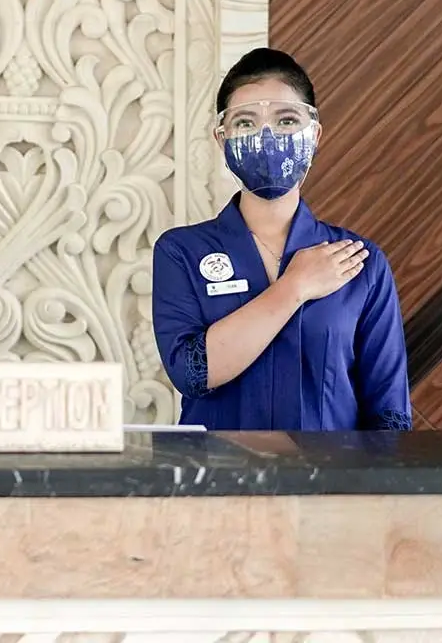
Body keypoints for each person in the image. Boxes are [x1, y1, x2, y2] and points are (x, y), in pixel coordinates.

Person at [151, 48, 411, 431]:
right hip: (217, 468)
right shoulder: (181, 252)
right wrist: (295, 286)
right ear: (222, 140)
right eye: (245, 123)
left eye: (287, 120)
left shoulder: (360, 262)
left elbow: (389, 414)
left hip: (328, 469)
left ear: (314, 134)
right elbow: (193, 373)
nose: (267, 137)